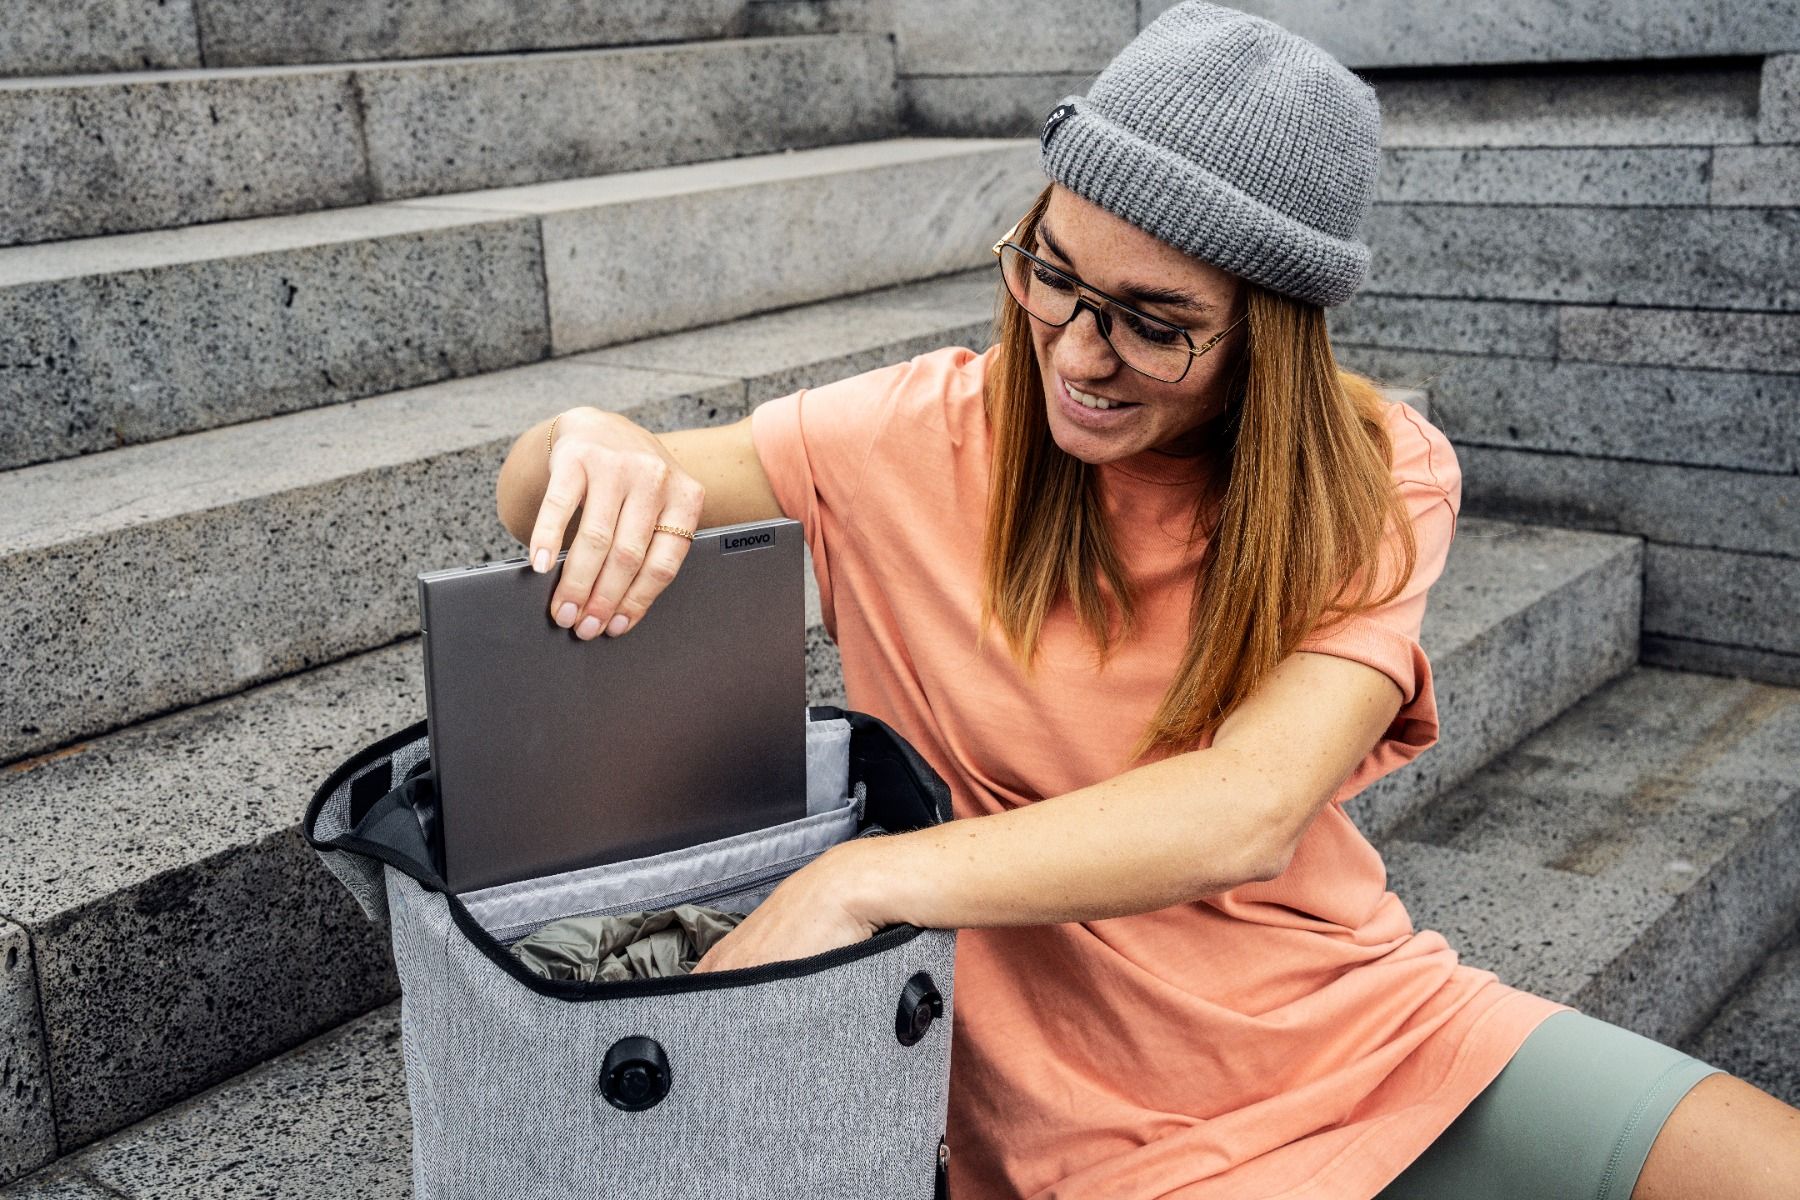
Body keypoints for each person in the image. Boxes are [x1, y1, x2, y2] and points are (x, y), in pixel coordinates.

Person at [492, 3, 1800, 1195]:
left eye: (1153, 322)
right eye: (1051, 273)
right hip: (1084, 1128)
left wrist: (864, 880)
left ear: (1266, 336)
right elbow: (556, 487)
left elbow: (1249, 810)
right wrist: (589, 436)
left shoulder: (1378, 473)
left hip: (1363, 1017)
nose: (1074, 350)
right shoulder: (911, 434)